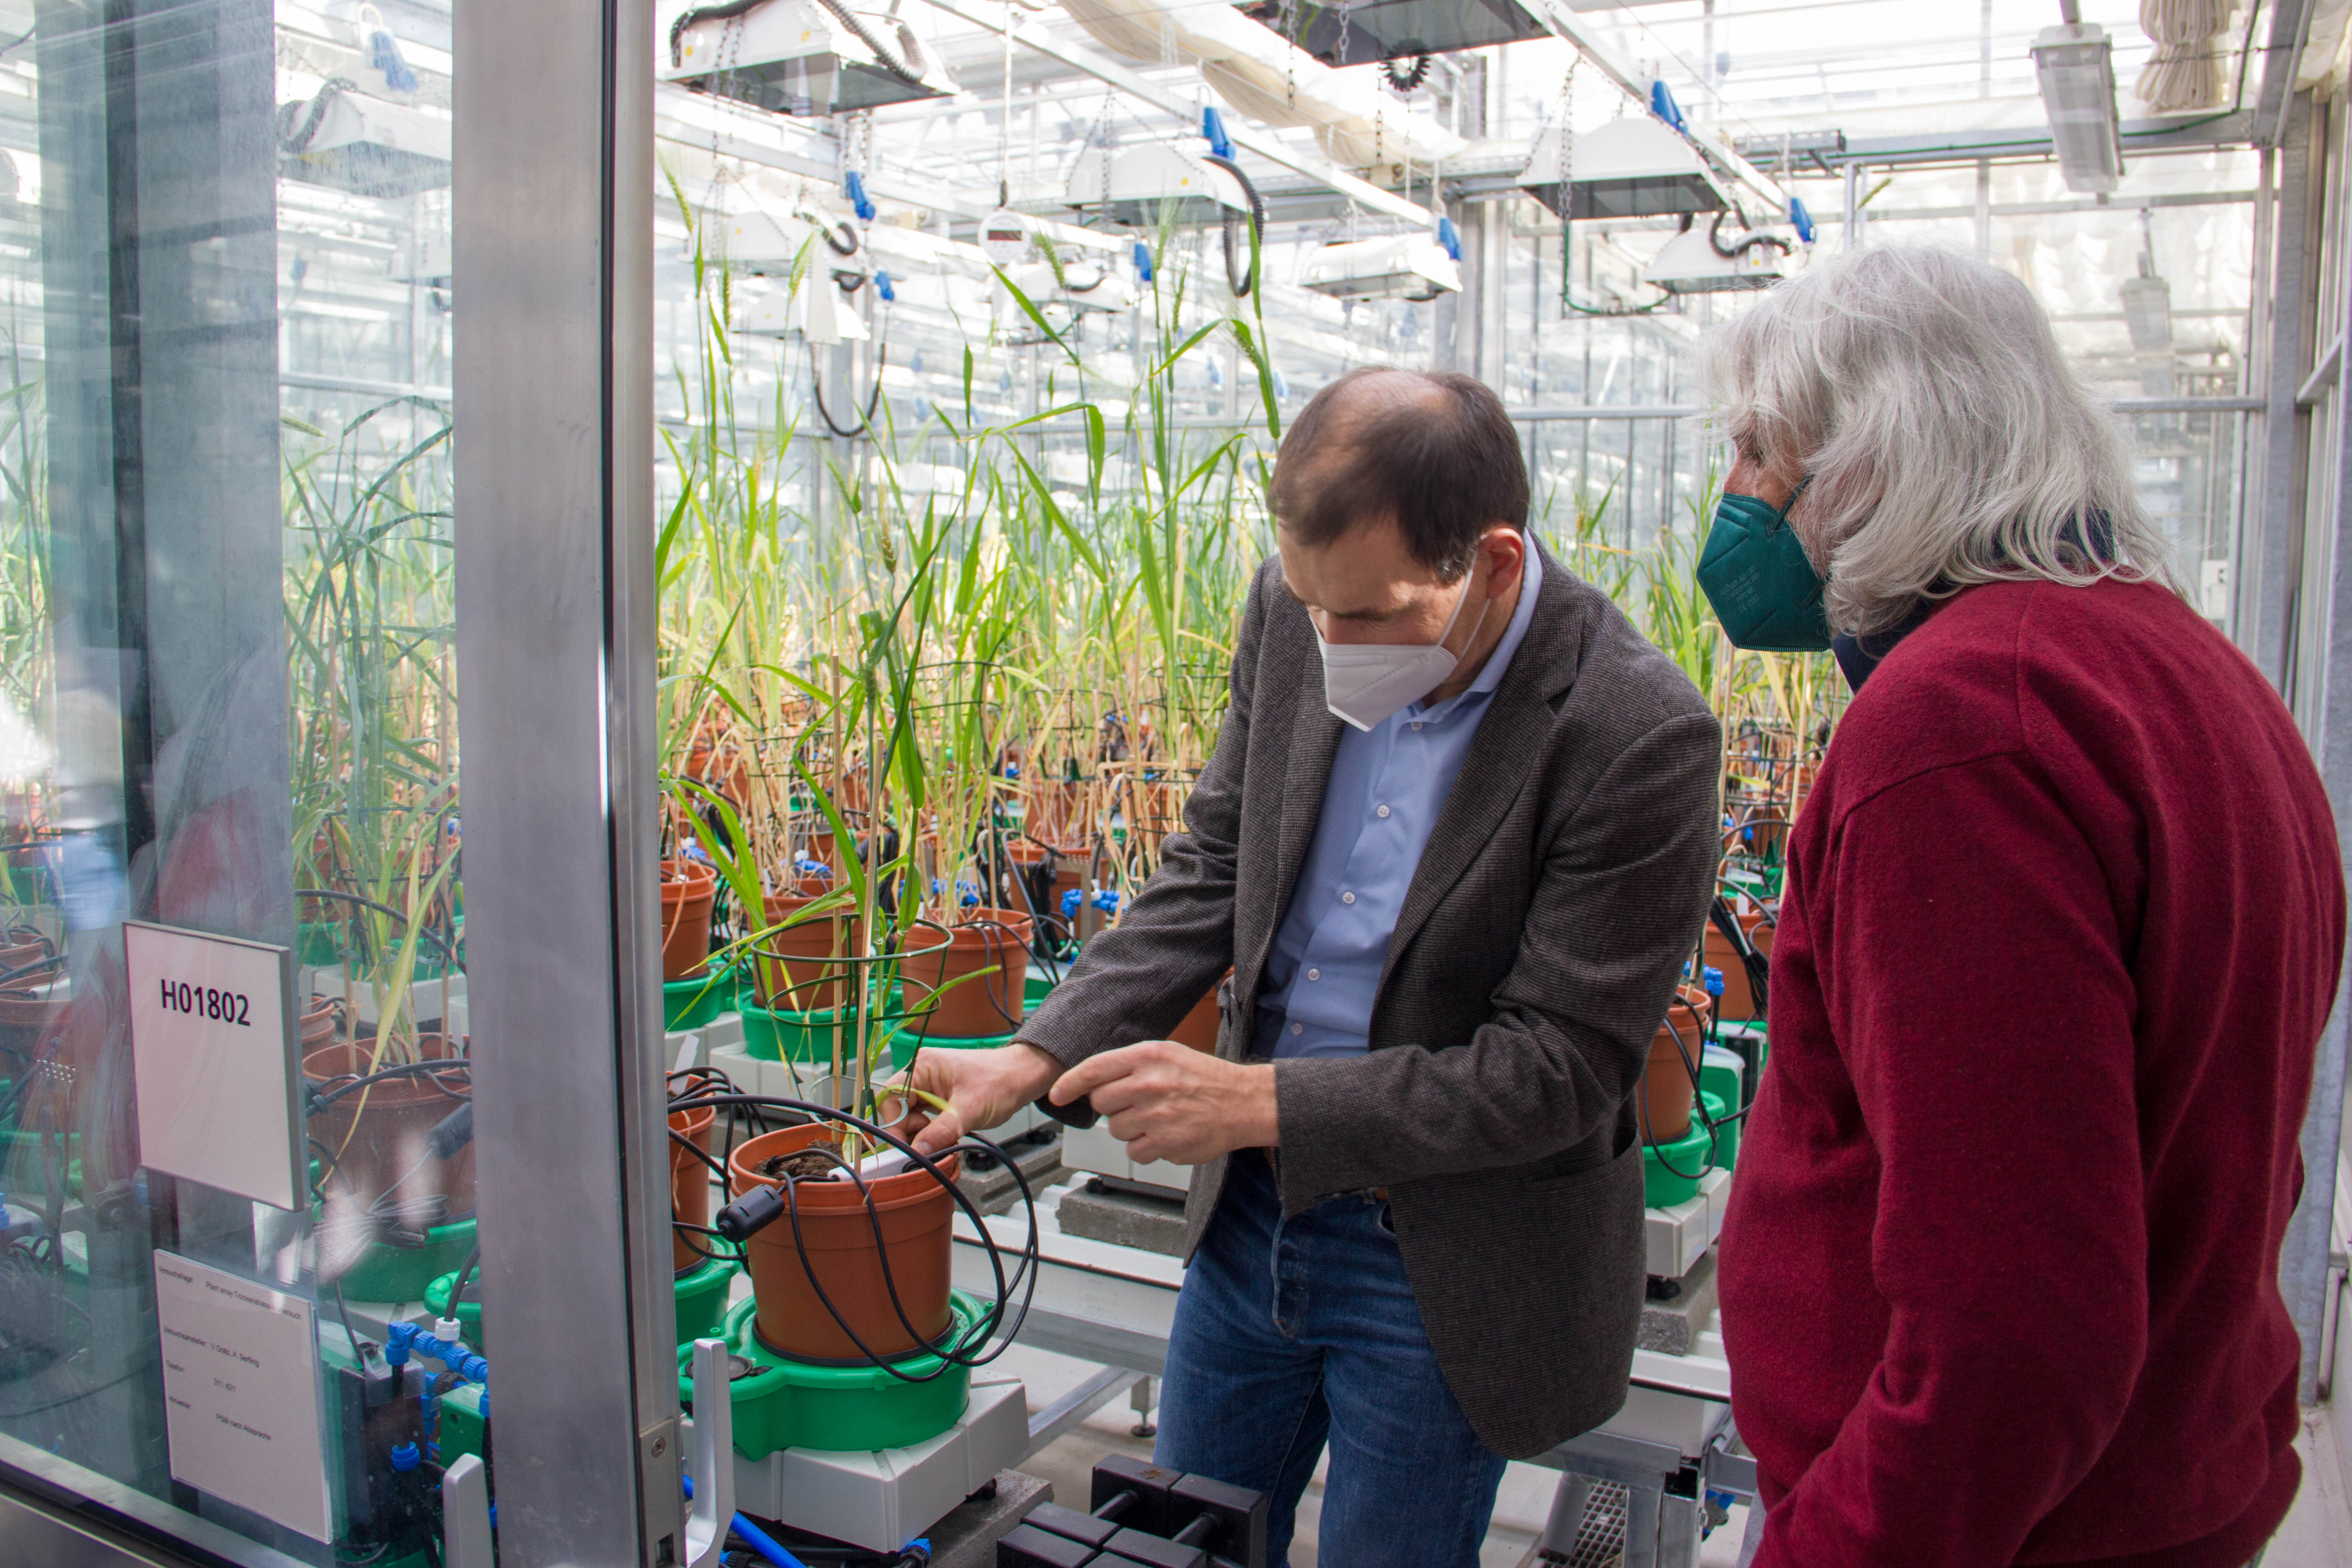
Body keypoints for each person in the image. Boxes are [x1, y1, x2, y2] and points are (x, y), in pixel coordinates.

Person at [896, 367, 1721, 1566]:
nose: (1333, 645)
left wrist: (1254, 1100)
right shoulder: (1298, 611)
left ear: (1493, 565)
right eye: (1311, 603)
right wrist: (1033, 1052)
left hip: (1441, 1263)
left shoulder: (1633, 731)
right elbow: (1217, 861)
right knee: (1171, 1539)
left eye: (1377, 617)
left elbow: (1556, 1071)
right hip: (1250, 1228)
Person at [1702, 246, 2345, 1568]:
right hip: (2158, 1488)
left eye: (1760, 456)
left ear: (1874, 458)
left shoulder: (1961, 735)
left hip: (2011, 1535)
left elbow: (2010, 1336)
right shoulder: (2190, 670)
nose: (1734, 501)